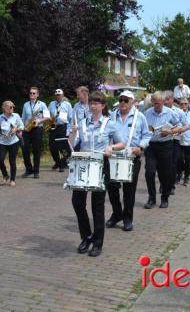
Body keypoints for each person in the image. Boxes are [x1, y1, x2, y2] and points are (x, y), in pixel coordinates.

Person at [68, 91, 124, 257]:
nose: (93, 106)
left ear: (103, 105)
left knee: (97, 205)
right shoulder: (83, 123)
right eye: (91, 103)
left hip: (100, 164)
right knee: (77, 202)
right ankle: (86, 237)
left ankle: (98, 242)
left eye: (97, 103)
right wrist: (72, 133)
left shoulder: (110, 124)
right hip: (83, 164)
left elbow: (122, 143)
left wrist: (111, 148)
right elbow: (71, 145)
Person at [106, 90, 151, 232]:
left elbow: (147, 135)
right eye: (121, 100)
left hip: (132, 156)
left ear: (132, 102)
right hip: (114, 156)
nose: (123, 103)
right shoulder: (112, 116)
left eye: (126, 100)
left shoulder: (140, 117)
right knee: (112, 187)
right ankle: (117, 213)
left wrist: (141, 147)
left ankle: (127, 218)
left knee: (129, 190)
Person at [144, 91, 181, 209]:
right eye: (155, 104)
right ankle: (151, 198)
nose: (157, 106)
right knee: (149, 172)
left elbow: (180, 126)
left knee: (165, 174)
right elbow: (142, 129)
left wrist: (170, 131)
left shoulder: (170, 112)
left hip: (166, 145)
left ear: (163, 102)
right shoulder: (147, 113)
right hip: (151, 146)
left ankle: (165, 198)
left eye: (159, 104)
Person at [0, 101, 24, 187]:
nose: (12, 109)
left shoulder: (16, 116)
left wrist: (16, 129)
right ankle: (5, 175)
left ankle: (12, 179)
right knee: (0, 160)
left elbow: (22, 126)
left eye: (13, 107)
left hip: (13, 142)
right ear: (4, 108)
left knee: (12, 161)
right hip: (2, 142)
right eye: (10, 107)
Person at [21, 87, 50, 179]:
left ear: (37, 95)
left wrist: (38, 121)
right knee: (25, 150)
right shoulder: (26, 104)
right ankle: (29, 169)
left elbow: (47, 117)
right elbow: (23, 118)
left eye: (34, 93)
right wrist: (22, 129)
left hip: (37, 129)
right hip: (27, 129)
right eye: (30, 93)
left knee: (36, 150)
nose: (32, 94)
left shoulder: (42, 104)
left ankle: (36, 171)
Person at [163, 91, 188, 192]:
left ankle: (172, 185)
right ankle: (163, 184)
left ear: (172, 100)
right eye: (163, 100)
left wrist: (179, 130)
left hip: (174, 141)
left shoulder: (179, 112)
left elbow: (186, 125)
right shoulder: (159, 111)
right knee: (163, 165)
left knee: (173, 164)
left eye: (167, 100)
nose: (165, 102)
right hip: (162, 142)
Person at [48, 89, 73, 172]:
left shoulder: (67, 104)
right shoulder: (51, 104)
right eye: (56, 95)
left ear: (62, 95)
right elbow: (47, 115)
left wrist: (69, 130)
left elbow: (70, 118)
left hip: (63, 127)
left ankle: (62, 164)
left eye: (59, 95)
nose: (58, 97)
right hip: (53, 126)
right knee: (52, 147)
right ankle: (58, 163)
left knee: (63, 148)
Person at [72, 86, 91, 151]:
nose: (77, 97)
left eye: (78, 95)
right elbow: (73, 121)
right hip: (80, 136)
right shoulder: (76, 106)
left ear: (85, 94)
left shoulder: (93, 104)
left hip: (91, 135)